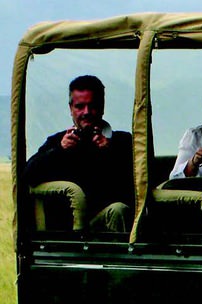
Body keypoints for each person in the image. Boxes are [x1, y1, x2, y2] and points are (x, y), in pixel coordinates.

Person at [23, 74, 133, 232]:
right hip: (70, 231)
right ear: (71, 109)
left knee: (118, 210)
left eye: (92, 106)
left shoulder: (122, 142)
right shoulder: (57, 142)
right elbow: (28, 175)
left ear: (102, 107)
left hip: (108, 223)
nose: (86, 112)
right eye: (80, 107)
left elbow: (136, 185)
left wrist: (109, 153)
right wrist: (60, 151)